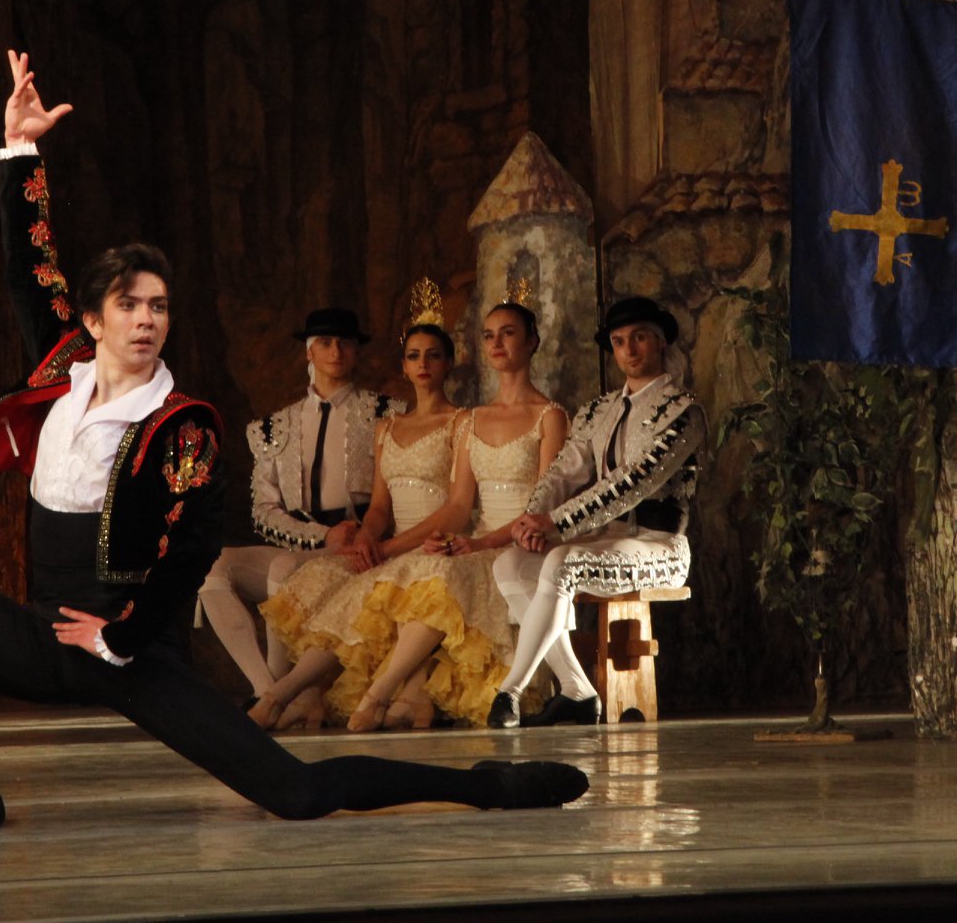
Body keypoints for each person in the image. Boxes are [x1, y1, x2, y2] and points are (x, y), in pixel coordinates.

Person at [0, 50, 587, 831]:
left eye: (158, 307)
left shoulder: (180, 423)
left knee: (296, 795)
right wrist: (20, 149)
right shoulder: (62, 370)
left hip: (127, 649)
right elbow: (31, 269)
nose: (145, 319)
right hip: (41, 634)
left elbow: (191, 549)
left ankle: (490, 786)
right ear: (92, 321)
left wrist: (120, 637)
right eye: (128, 306)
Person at [258, 299, 566, 730]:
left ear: (532, 342)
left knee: (432, 574)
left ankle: (378, 696)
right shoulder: (473, 419)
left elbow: (540, 507)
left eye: (508, 333)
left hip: (514, 544)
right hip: (469, 542)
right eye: (489, 335)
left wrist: (475, 543)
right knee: (370, 583)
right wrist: (375, 539)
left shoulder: (549, 416)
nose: (497, 343)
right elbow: (458, 503)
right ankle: (281, 694)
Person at [249, 284, 469, 728]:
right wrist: (368, 535)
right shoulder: (388, 426)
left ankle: (369, 697)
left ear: (449, 362)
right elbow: (380, 506)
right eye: (413, 356)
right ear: (402, 365)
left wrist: (386, 548)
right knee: (337, 591)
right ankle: (280, 694)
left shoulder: (463, 421)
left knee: (388, 590)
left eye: (433, 356)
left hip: (435, 541)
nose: (423, 365)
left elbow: (456, 507)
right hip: (391, 541)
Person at [488, 296, 706, 729]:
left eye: (639, 338)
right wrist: (533, 519)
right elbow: (562, 472)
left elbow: (631, 483)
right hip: (606, 539)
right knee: (509, 563)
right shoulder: (598, 410)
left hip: (661, 547)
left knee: (563, 560)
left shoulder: (682, 411)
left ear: (660, 342)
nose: (628, 350)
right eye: (619, 341)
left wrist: (556, 524)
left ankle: (509, 691)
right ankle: (578, 690)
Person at [198, 308, 401, 701]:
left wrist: (358, 534)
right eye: (325, 343)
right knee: (214, 566)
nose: (336, 351)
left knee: (283, 568)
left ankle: (275, 695)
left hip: (360, 542)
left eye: (345, 342)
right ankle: (264, 687)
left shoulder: (386, 414)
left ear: (356, 351)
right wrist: (322, 535)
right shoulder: (274, 427)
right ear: (309, 352)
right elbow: (264, 512)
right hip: (303, 542)